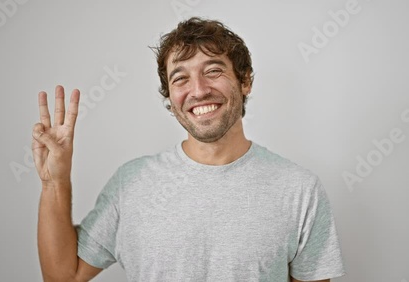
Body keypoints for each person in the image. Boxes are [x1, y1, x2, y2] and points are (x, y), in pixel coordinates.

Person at [32, 17, 345, 282]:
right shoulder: (131, 183)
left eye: (213, 71)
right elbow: (63, 276)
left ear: (245, 80)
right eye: (180, 77)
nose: (198, 90)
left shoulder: (299, 189)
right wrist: (54, 183)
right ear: (169, 97)